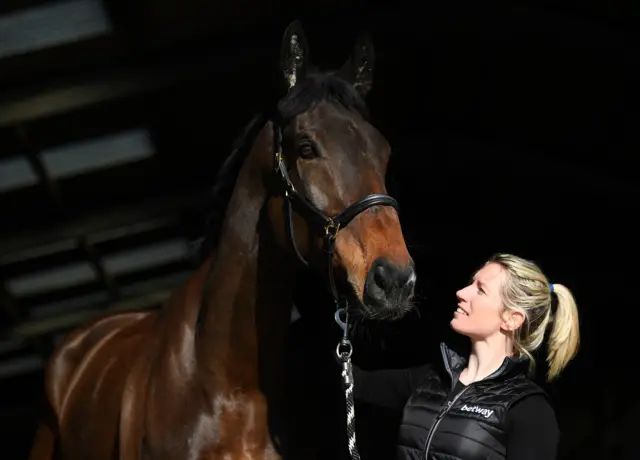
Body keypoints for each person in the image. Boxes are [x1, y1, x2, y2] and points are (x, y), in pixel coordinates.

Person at [352, 253, 580, 460]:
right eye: (471, 284)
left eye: (481, 290)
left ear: (511, 319)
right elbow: (352, 383)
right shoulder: (430, 380)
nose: (461, 293)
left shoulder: (528, 409)